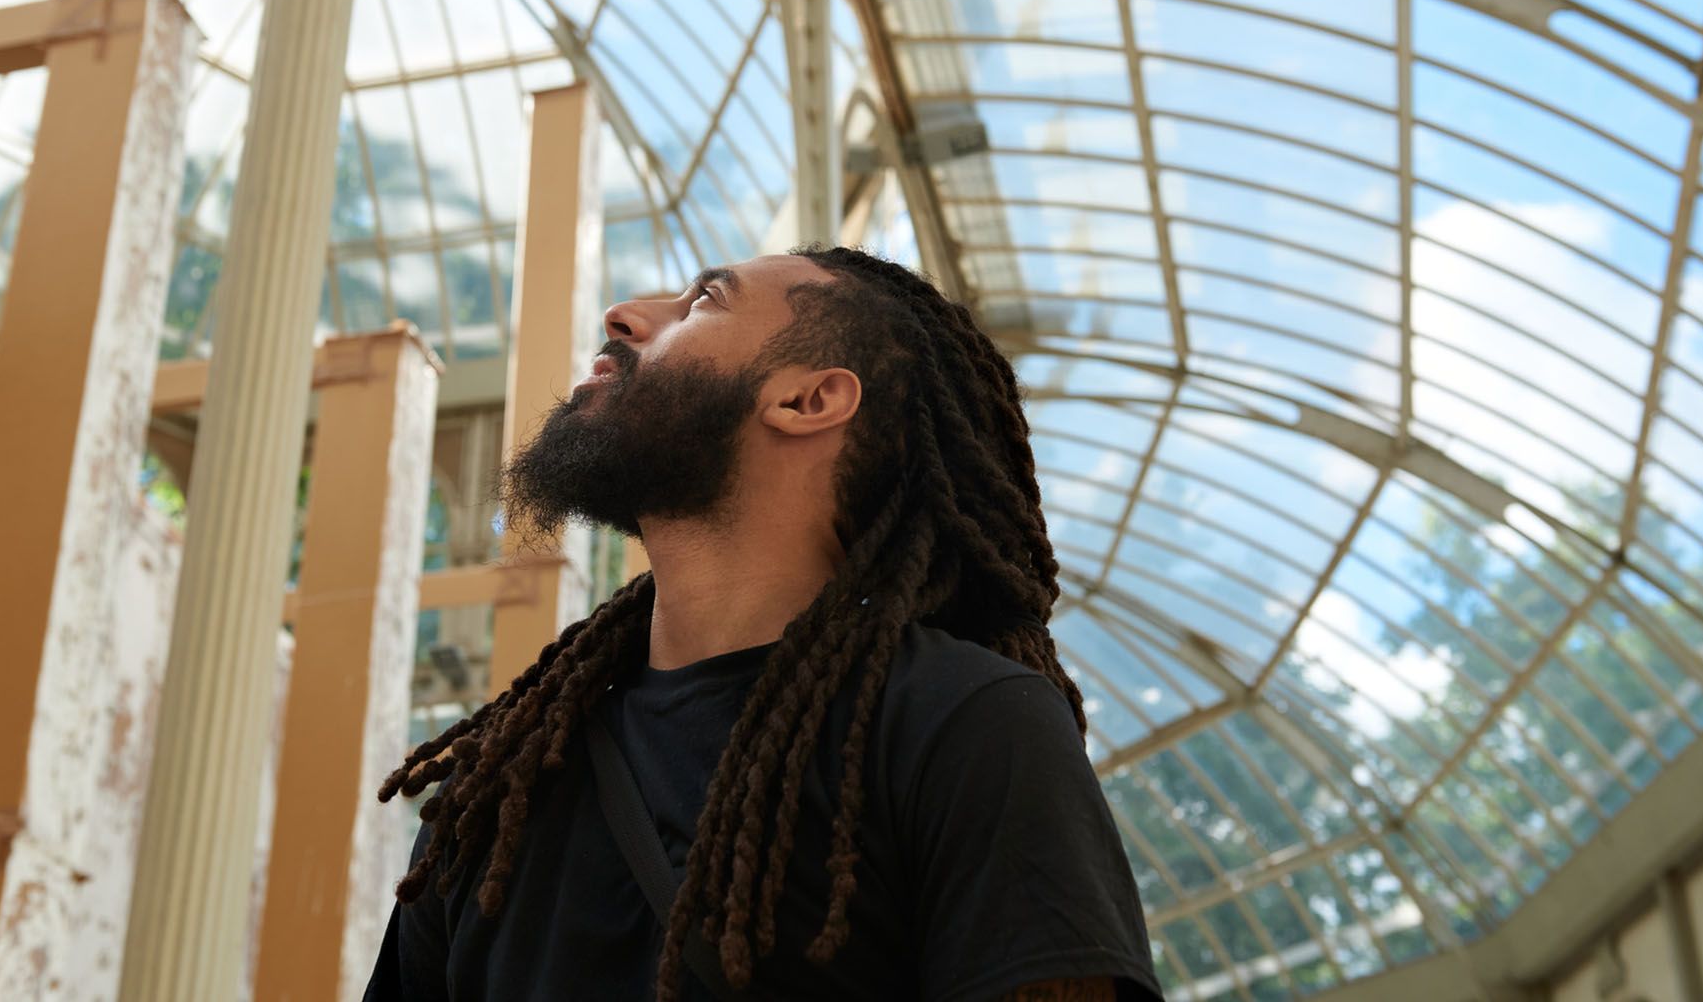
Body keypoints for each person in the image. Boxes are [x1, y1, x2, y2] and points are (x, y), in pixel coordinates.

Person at [363, 247, 1162, 1001]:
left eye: (702, 301)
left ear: (808, 400)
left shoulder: (967, 724)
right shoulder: (496, 786)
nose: (625, 315)